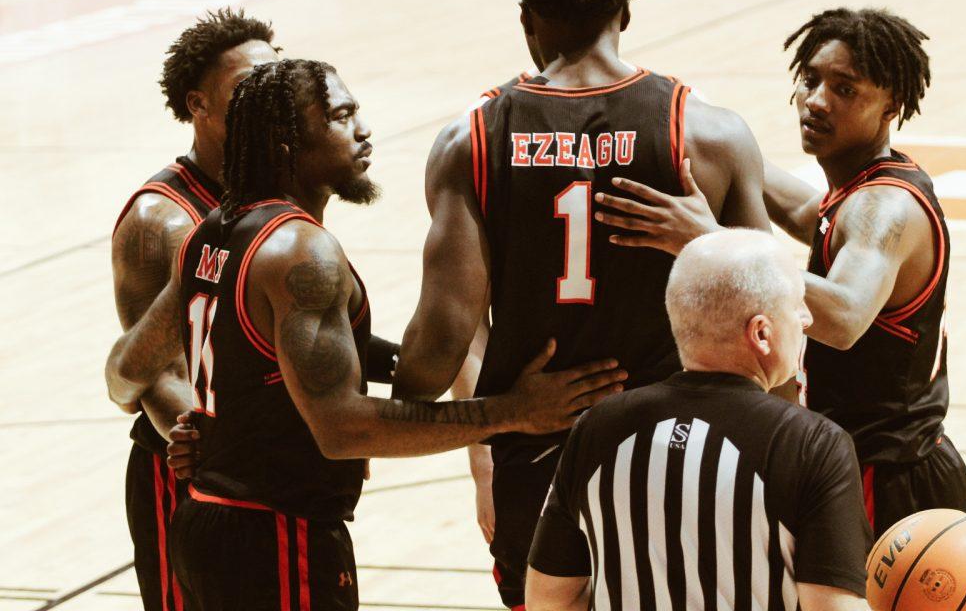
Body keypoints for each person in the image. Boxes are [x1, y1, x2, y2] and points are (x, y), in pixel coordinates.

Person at [105, 59, 626, 610]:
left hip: (207, 521)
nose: (363, 129)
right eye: (341, 115)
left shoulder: (210, 233)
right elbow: (343, 429)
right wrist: (514, 411)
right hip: (277, 536)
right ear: (287, 143)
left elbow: (247, 359)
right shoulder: (300, 252)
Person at [387, 0, 772, 609]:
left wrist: (359, 382)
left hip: (538, 459)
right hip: (678, 453)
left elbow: (438, 349)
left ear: (527, 15)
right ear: (625, 7)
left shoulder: (470, 140)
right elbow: (773, 326)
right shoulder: (707, 134)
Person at [594, 7, 966, 539]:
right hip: (875, 465)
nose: (816, 100)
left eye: (845, 89)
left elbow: (844, 316)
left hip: (890, 477)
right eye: (810, 79)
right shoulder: (857, 189)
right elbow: (800, 210)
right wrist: (691, 121)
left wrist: (709, 239)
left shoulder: (884, 208)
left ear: (893, 105)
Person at [526, 229, 871, 611]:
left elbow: (549, 598)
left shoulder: (596, 429)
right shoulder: (813, 444)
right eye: (796, 304)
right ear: (761, 333)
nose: (806, 319)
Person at [107, 8, 280, 611]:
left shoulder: (274, 189)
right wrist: (225, 450)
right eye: (246, 91)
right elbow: (156, 374)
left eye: (275, 85)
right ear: (198, 104)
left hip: (262, 466)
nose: (268, 103)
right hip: (184, 471)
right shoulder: (162, 220)